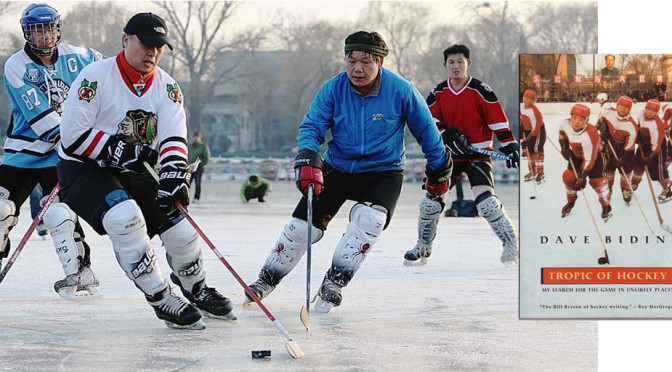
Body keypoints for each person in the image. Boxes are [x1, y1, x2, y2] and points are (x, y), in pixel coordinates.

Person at [244, 31, 450, 313]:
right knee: (301, 228)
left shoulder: (401, 90)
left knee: (370, 221)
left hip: (383, 170)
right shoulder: (333, 89)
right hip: (338, 167)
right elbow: (312, 125)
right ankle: (266, 279)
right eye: (351, 60)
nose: (357, 68)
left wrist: (439, 167)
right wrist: (307, 156)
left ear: (379, 62)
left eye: (366, 62)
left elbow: (427, 131)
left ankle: (335, 280)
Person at [57, 12, 235, 329]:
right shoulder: (94, 78)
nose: (152, 52)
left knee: (180, 226)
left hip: (136, 169)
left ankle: (196, 288)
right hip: (85, 168)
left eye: (159, 46)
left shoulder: (167, 87)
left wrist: (174, 176)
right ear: (126, 41)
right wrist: (120, 149)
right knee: (126, 219)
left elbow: (173, 137)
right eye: (146, 44)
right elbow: (73, 137)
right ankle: (160, 296)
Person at [1, 3, 103, 298]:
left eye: (48, 28)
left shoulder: (81, 57)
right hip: (23, 152)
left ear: (57, 29)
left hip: (61, 156)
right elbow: (41, 117)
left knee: (59, 213)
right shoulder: (17, 65)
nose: (44, 36)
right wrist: (79, 141)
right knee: (0, 210)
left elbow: (113, 74)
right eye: (36, 30)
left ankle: (80, 272)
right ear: (26, 33)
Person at [404, 44, 519, 269]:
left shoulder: (481, 90)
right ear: (445, 65)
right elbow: (430, 122)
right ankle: (423, 244)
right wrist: (448, 136)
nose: (456, 66)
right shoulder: (437, 93)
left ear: (468, 63)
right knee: (431, 202)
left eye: (460, 61)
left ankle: (511, 244)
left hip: (477, 155)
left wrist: (510, 146)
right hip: (447, 157)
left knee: (487, 203)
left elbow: (498, 121)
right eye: (451, 62)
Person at [559, 104, 612, 221]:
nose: (576, 122)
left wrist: (582, 177)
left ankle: (606, 205)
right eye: (574, 118)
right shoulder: (565, 124)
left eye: (581, 119)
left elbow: (589, 159)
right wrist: (564, 148)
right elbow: (562, 133)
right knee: (569, 177)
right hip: (577, 155)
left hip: (596, 156)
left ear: (587, 120)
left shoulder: (591, 133)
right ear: (570, 117)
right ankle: (571, 201)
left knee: (597, 182)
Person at [598, 95, 638, 203]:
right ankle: (608, 187)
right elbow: (600, 119)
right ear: (617, 105)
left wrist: (623, 158)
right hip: (611, 144)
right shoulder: (608, 112)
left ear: (630, 109)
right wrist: (603, 129)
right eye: (621, 105)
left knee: (626, 168)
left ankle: (625, 189)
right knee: (609, 167)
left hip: (625, 149)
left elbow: (629, 145)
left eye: (627, 107)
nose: (623, 108)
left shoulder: (632, 125)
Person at [631, 100, 672, 202]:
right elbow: (639, 124)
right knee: (638, 165)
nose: (649, 112)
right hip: (644, 144)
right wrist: (639, 133)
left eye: (653, 111)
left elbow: (656, 145)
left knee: (658, 170)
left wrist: (650, 157)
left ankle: (668, 189)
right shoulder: (641, 114)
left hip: (657, 147)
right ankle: (633, 184)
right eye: (648, 109)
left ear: (657, 112)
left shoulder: (657, 125)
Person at [520, 90, 546, 184]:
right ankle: (532, 170)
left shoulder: (535, 111)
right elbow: (521, 117)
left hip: (537, 131)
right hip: (527, 129)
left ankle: (540, 173)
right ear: (523, 98)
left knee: (536, 151)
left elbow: (536, 127)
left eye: (532, 99)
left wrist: (528, 139)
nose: (529, 100)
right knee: (528, 151)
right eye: (527, 98)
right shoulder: (521, 106)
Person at [188, 130, 210, 202]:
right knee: (187, 183)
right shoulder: (190, 146)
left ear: (200, 138)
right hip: (189, 168)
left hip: (198, 168)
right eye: (195, 136)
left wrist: (200, 164)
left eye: (197, 137)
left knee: (197, 184)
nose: (196, 138)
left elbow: (206, 158)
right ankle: (186, 197)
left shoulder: (203, 147)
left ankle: (196, 198)